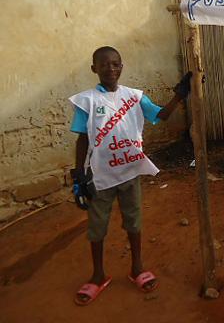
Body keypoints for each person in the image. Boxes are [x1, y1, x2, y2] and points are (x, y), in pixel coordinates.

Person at [69, 46, 191, 305]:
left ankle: (137, 268)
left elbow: (161, 115)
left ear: (122, 67)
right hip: (100, 176)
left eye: (115, 64)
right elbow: (83, 138)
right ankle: (98, 275)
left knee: (134, 221)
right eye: (104, 65)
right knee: (97, 226)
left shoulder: (134, 97)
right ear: (94, 69)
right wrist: (79, 174)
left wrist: (180, 94)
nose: (110, 69)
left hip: (129, 173)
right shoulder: (87, 101)